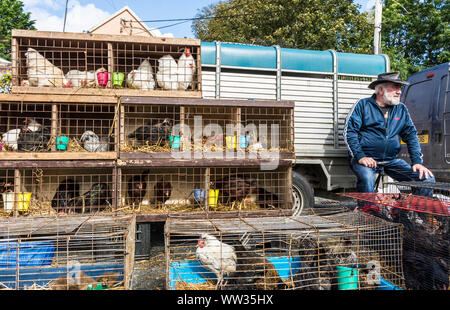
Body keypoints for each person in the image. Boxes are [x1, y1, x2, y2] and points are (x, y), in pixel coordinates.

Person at [343, 71, 435, 215]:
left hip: (390, 160)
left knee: (427, 178)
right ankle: (368, 215)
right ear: (380, 90)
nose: (399, 91)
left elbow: (411, 135)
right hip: (365, 159)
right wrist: (360, 156)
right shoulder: (363, 105)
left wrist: (417, 162)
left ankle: (420, 217)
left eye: (400, 87)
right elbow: (350, 132)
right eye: (395, 87)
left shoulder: (401, 109)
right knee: (367, 179)